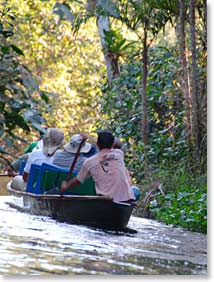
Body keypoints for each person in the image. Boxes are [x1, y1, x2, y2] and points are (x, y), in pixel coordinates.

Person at [60, 130, 136, 202]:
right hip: (126, 198)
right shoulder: (119, 153)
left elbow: (77, 181)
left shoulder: (89, 162)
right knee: (135, 190)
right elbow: (118, 144)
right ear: (113, 144)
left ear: (97, 144)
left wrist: (66, 186)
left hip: (105, 200)